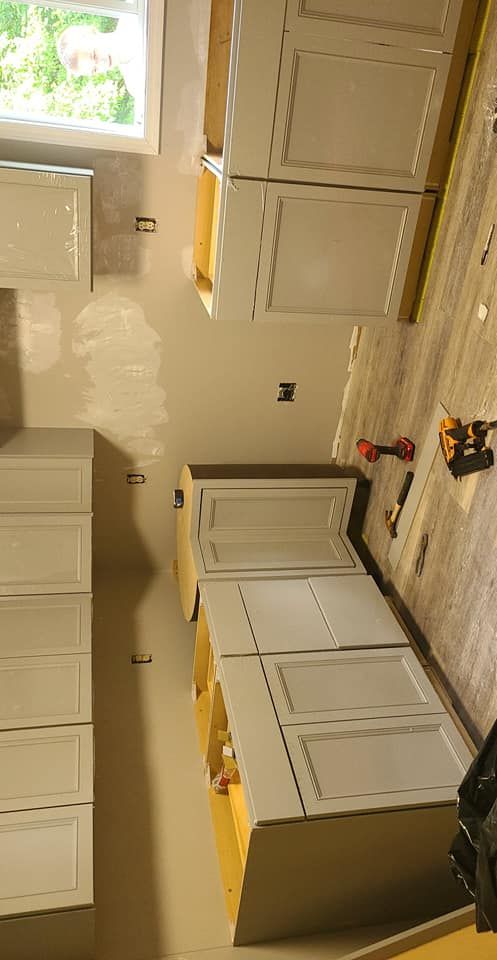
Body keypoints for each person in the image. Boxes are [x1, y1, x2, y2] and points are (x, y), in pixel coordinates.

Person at [56, 17, 141, 101]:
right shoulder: (136, 86)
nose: (102, 63)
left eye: (94, 55)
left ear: (91, 32)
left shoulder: (133, 17)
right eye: (95, 69)